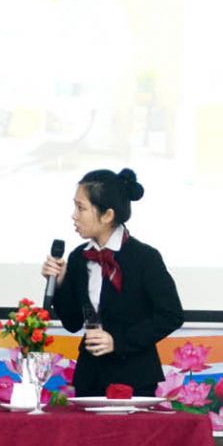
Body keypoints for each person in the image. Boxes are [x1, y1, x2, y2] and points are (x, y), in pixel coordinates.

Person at [42, 168, 183, 397]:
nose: (74, 215)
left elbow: (171, 315)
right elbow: (72, 322)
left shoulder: (144, 257)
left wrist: (118, 341)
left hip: (135, 379)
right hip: (89, 379)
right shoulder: (79, 257)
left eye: (81, 208)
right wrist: (60, 283)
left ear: (107, 215)